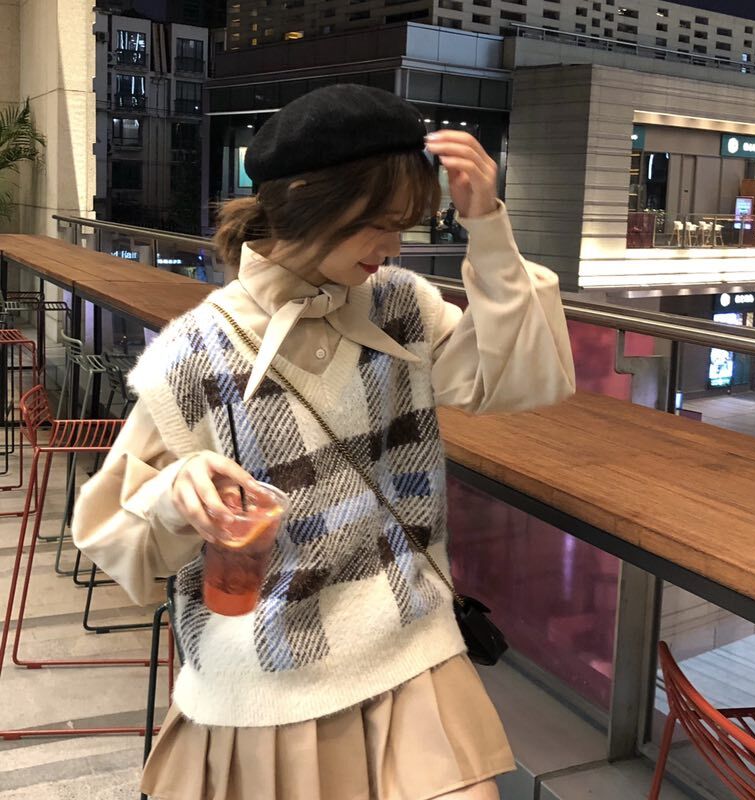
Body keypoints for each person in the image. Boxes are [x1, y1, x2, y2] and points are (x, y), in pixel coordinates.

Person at [72, 84, 575, 800]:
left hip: (412, 638)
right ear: (311, 205)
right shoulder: (193, 356)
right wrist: (176, 496)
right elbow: (115, 536)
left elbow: (518, 381)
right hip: (271, 672)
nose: (393, 247)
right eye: (379, 225)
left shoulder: (400, 306)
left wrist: (488, 226)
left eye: (404, 226)